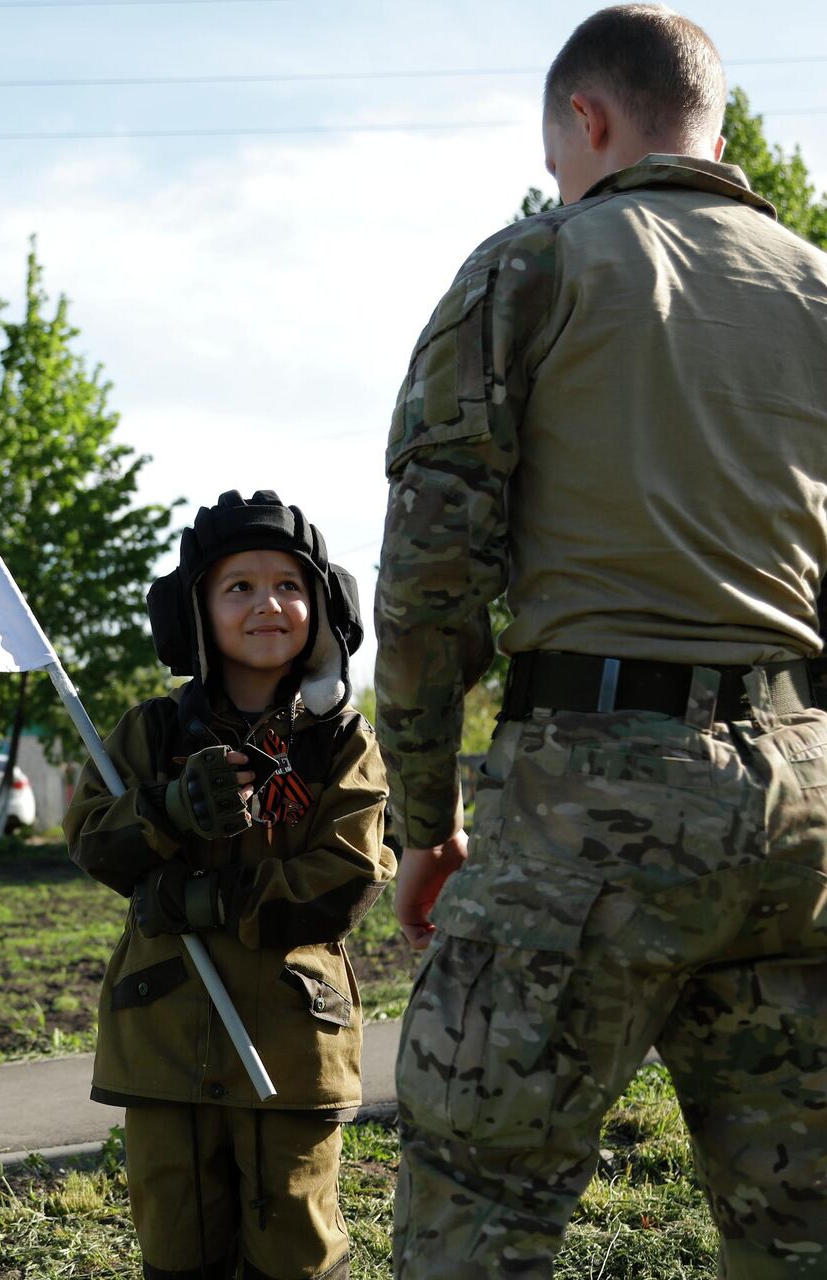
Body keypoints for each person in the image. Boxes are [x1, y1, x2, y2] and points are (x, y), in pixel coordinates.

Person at [374, 7, 827, 1276]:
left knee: (479, 1194)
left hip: (592, 804)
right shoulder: (814, 286)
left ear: (586, 120)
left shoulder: (534, 264)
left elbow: (428, 578)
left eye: (558, 155)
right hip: (806, 816)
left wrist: (422, 821)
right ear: (713, 123)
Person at [65, 490, 395, 1280]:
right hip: (163, 1036)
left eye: (288, 585)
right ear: (196, 611)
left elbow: (349, 876)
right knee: (179, 1248)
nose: (267, 604)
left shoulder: (345, 745)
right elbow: (91, 841)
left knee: (295, 1248)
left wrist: (213, 901)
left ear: (322, 604)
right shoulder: (148, 733)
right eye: (237, 587)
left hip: (291, 1040)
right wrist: (167, 809)